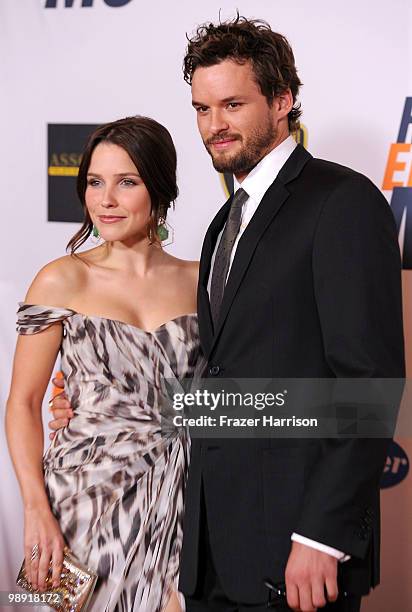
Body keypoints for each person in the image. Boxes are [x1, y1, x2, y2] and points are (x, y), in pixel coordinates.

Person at [49, 15, 405, 612]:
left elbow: (368, 387)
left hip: (298, 551)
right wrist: (102, 405)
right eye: (202, 108)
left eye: (233, 104)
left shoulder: (341, 202)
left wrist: (321, 534)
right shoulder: (223, 223)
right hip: (210, 550)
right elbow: (230, 381)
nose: (215, 125)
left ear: (284, 100)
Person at [6, 116, 199, 612]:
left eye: (126, 182)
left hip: (188, 496)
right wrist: (35, 512)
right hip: (88, 501)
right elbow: (25, 403)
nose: (105, 200)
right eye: (95, 182)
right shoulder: (62, 279)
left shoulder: (205, 282)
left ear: (160, 188)